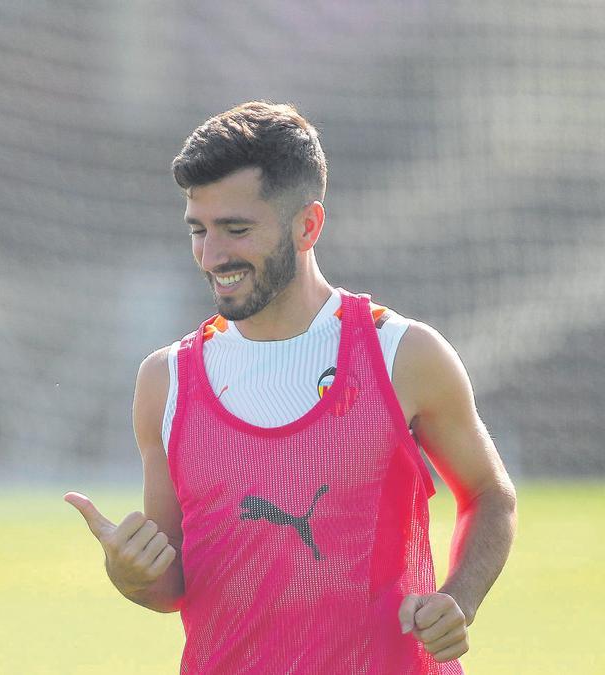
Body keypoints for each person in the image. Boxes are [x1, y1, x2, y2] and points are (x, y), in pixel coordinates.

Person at [66, 101, 516, 673]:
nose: (212, 255)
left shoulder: (403, 354)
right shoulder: (165, 381)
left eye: (236, 229)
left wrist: (459, 599)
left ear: (308, 226)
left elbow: (489, 495)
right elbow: (170, 584)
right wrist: (129, 573)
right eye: (198, 230)